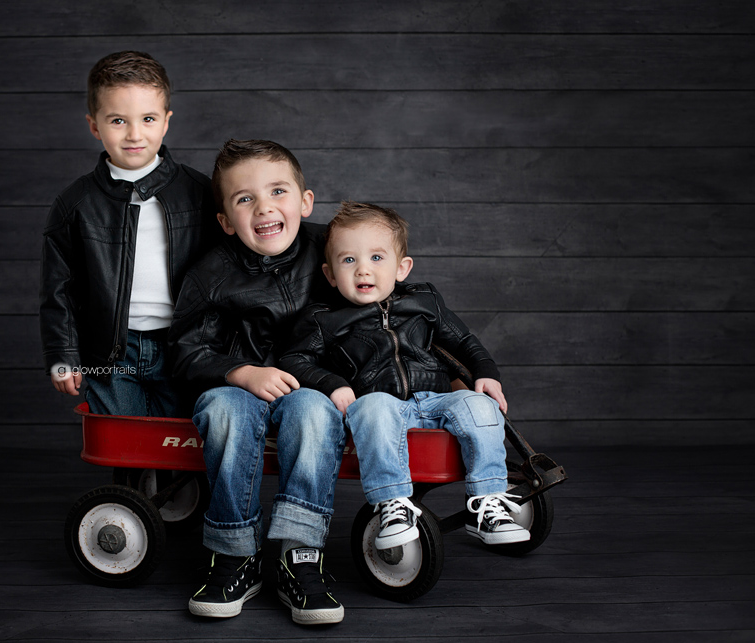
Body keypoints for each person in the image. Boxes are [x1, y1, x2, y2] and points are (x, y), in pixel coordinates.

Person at [279, 201, 530, 551]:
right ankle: (392, 505)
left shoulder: (424, 301)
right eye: (348, 260)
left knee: (480, 405)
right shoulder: (324, 319)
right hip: (380, 404)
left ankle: (488, 501)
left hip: (437, 398)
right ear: (330, 274)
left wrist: (487, 373)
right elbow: (294, 359)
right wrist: (332, 384)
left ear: (402, 268)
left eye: (376, 258)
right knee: (371, 407)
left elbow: (464, 341)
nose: (363, 270)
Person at [168, 139, 347, 625]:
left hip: (310, 386)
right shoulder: (211, 272)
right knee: (224, 409)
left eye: (278, 191)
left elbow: (391, 302)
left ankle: (300, 556)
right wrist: (242, 372)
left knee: (314, 411)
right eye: (245, 198)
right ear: (226, 220)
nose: (264, 207)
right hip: (234, 386)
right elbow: (184, 350)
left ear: (305, 201)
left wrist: (458, 371)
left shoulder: (332, 248)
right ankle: (235, 555)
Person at [40, 51, 218, 417]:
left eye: (148, 119)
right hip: (109, 353)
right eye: (118, 120)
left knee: (181, 441)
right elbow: (59, 288)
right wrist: (62, 355)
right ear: (95, 126)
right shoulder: (76, 203)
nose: (135, 134)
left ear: (166, 121)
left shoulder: (200, 192)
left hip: (185, 347)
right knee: (125, 440)